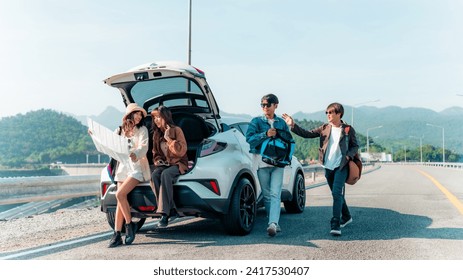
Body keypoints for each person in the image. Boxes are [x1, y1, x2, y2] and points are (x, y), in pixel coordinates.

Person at [282, 102, 359, 236]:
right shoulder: (324, 128)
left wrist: (348, 156)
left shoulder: (347, 129)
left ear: (339, 114)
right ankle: (346, 216)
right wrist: (292, 125)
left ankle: (335, 223)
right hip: (328, 166)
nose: (328, 115)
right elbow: (307, 134)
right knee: (338, 194)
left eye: (331, 112)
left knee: (336, 193)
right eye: (327, 113)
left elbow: (355, 146)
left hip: (341, 166)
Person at [245, 93, 290, 237]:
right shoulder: (256, 121)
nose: (265, 107)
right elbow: (249, 139)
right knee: (267, 195)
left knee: (275, 193)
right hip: (261, 162)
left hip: (278, 162)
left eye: (267, 104)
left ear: (275, 105)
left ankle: (273, 223)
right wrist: (265, 134)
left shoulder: (281, 123)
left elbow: (288, 140)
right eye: (262, 105)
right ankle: (273, 221)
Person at [109, 103, 150, 247]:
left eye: (141, 115)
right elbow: (109, 144)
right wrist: (95, 135)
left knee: (119, 195)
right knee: (121, 201)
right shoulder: (120, 130)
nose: (139, 117)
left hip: (137, 168)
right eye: (136, 114)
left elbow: (144, 147)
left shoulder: (142, 130)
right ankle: (116, 235)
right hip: (123, 169)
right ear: (129, 115)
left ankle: (129, 225)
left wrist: (136, 154)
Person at [151, 106, 189, 227]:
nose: (156, 120)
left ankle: (164, 214)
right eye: (154, 117)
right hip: (165, 165)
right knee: (155, 175)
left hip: (178, 163)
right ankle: (170, 209)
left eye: (158, 117)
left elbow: (181, 151)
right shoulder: (156, 134)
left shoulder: (177, 130)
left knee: (166, 174)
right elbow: (155, 153)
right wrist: (158, 161)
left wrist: (169, 139)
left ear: (166, 117)